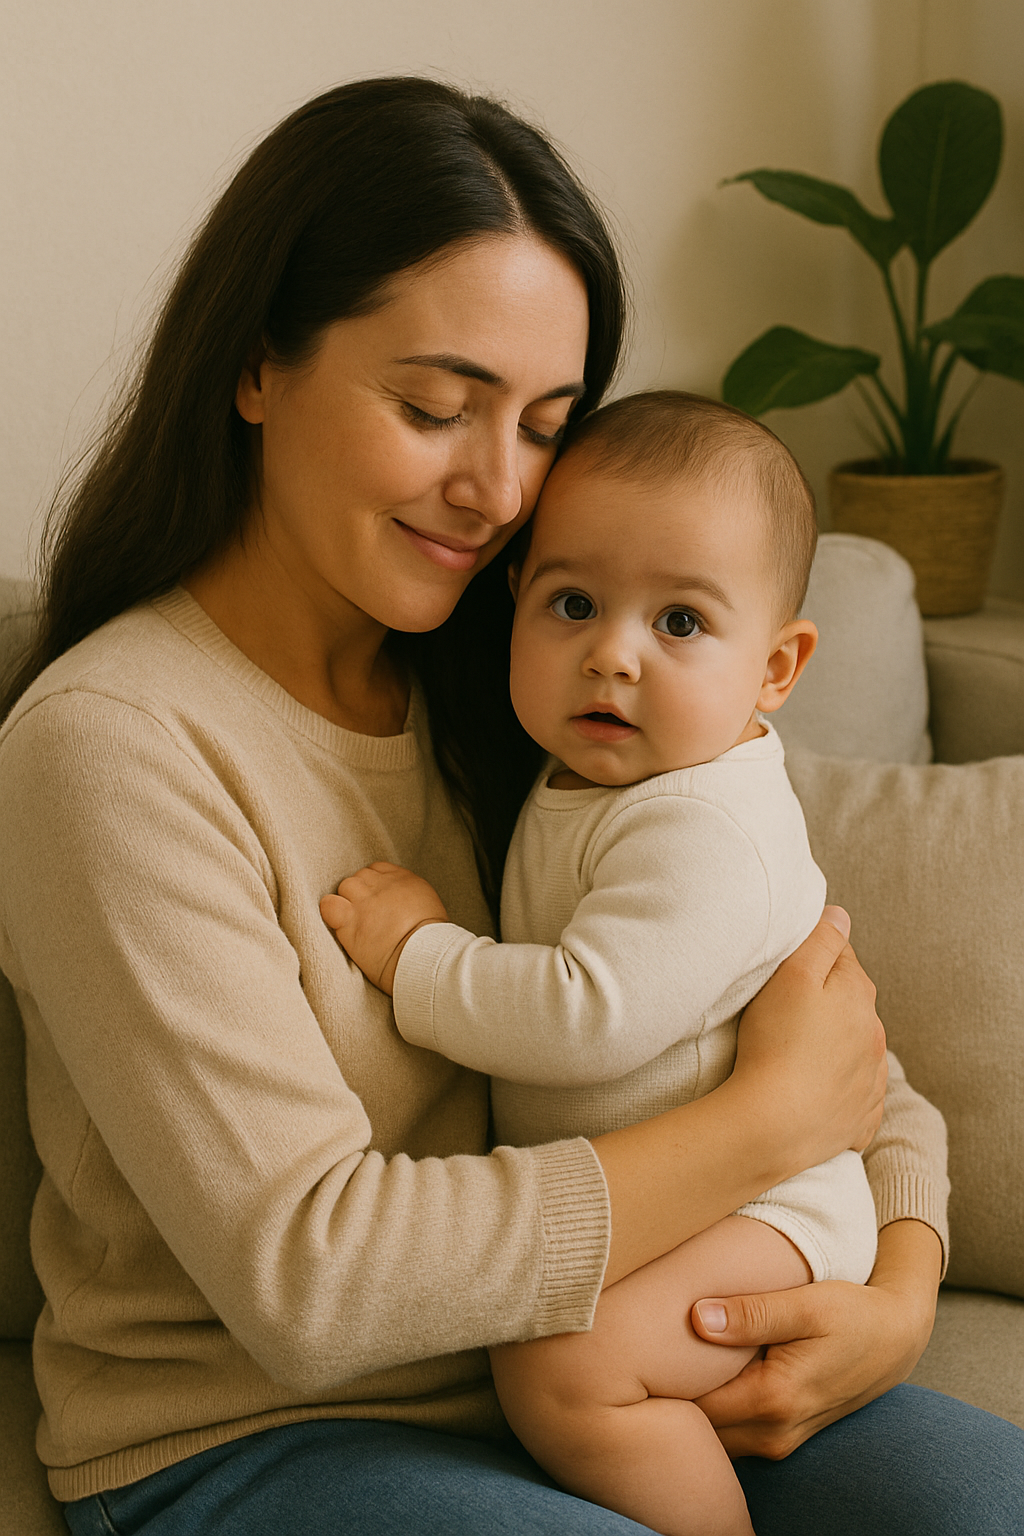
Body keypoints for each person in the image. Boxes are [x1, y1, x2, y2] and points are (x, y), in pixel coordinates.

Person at [0, 77, 1019, 1536]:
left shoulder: (538, 678)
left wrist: (900, 1295)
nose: (494, 489)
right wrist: (760, 1129)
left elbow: (812, 1018)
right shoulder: (113, 751)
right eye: (434, 406)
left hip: (624, 1352)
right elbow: (312, 1274)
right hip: (264, 1432)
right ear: (254, 367)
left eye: (543, 425)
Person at [321, 390, 890, 1536]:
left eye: (679, 623)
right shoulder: (605, 773)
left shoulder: (703, 827)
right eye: (573, 603)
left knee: (562, 1369)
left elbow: (589, 1015)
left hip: (769, 1209)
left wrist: (419, 957)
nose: (611, 657)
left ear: (776, 666)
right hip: (684, 1198)